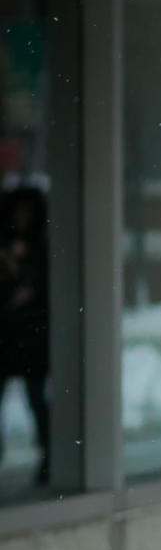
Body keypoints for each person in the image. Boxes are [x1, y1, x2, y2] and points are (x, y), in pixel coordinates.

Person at [0, 186, 50, 485]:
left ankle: (48, 456)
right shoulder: (6, 245)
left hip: (31, 337)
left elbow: (43, 287)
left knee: (36, 400)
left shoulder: (41, 248)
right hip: (6, 336)